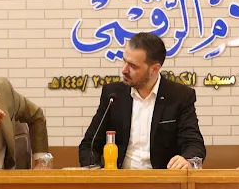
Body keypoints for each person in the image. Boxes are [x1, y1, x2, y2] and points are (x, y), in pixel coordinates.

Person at [79, 32, 206, 169]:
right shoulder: (113, 95)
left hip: (162, 179)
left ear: (154, 69)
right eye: (124, 61)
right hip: (119, 178)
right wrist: (96, 172)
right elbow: (89, 144)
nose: (124, 70)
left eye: (133, 66)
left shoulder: (180, 96)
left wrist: (187, 161)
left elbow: (194, 144)